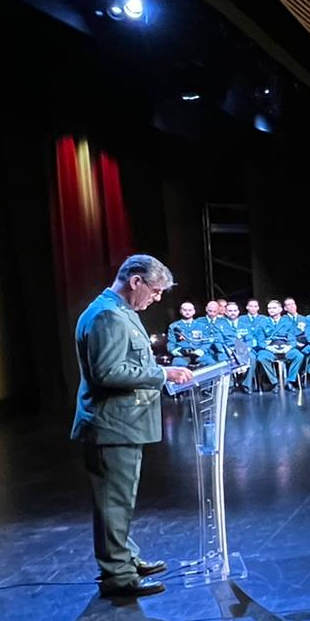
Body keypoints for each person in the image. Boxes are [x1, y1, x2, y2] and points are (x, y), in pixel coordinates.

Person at [71, 255, 195, 599]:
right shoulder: (107, 316)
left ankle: (126, 557)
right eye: (154, 291)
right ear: (135, 281)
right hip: (112, 425)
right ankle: (118, 575)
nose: (157, 298)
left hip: (125, 423)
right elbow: (108, 372)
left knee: (121, 500)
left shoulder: (121, 312)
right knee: (113, 502)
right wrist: (162, 373)